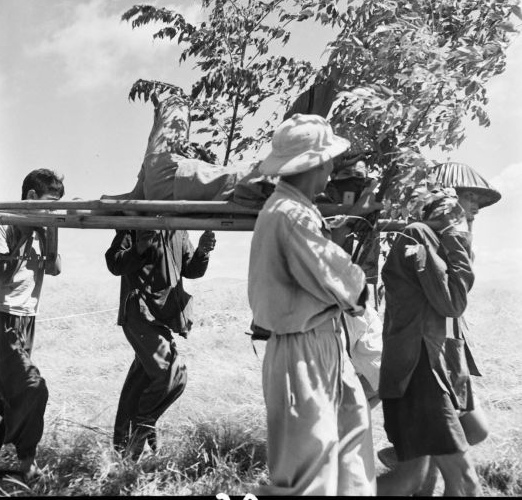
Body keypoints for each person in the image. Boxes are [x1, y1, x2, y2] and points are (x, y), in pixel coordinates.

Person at [248, 113, 381, 495]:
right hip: (301, 350)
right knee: (310, 476)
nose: (330, 172)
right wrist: (358, 291)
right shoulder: (291, 215)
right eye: (328, 163)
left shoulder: (293, 210)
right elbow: (348, 284)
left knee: (351, 457)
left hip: (321, 342)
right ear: (317, 164)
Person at [378, 162, 501, 495]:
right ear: (447, 199)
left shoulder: (437, 241)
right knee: (461, 484)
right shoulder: (420, 236)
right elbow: (453, 303)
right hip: (422, 370)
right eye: (469, 197)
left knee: (415, 481)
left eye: (478, 200)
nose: (475, 205)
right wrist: (455, 238)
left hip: (437, 366)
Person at [105, 224, 216, 459]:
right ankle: (140, 431)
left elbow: (191, 269)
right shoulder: (135, 224)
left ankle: (122, 447)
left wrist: (202, 252)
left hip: (164, 314)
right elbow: (115, 263)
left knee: (142, 380)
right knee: (173, 375)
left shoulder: (178, 227)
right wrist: (140, 247)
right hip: (140, 312)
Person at [0, 169, 65, 480]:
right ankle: (27, 462)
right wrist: (25, 231)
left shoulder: (42, 226)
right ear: (31, 197)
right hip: (2, 316)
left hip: (28, 317)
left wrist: (49, 234)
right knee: (32, 388)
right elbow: (0, 273)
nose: (53, 210)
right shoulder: (1, 223)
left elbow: (54, 268)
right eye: (49, 203)